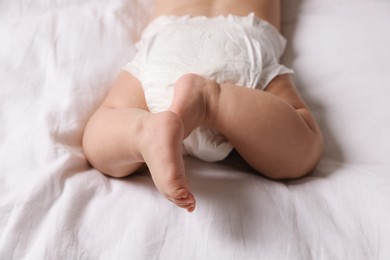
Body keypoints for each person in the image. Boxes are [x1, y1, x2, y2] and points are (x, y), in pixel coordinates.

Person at [82, 0, 323, 213]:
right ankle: (210, 102)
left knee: (102, 128)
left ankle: (143, 131)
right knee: (304, 148)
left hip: (169, 39)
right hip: (243, 41)